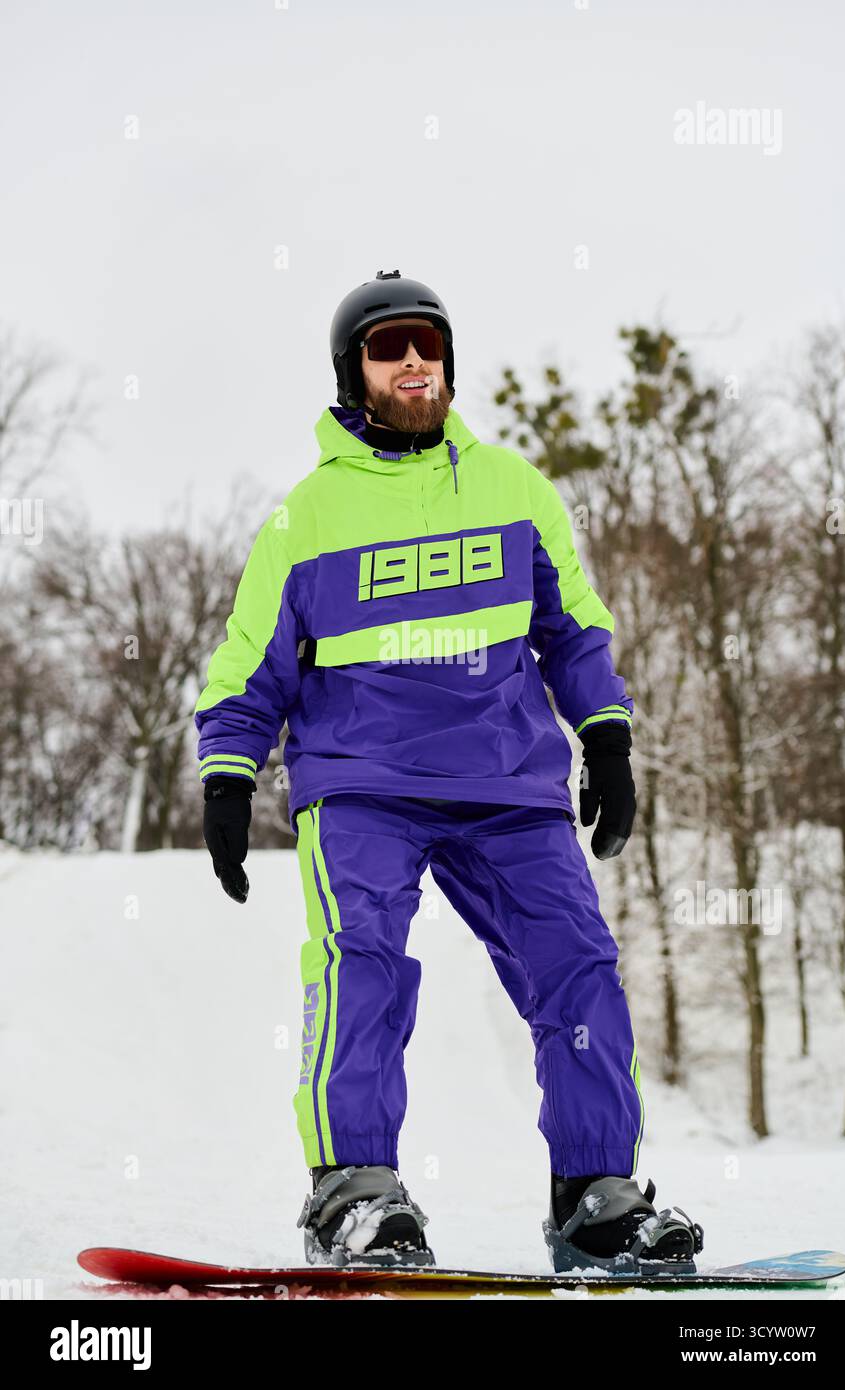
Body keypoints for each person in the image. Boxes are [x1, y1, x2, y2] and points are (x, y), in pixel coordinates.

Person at [194, 270, 703, 1272]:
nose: (413, 362)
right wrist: (227, 773)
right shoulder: (307, 517)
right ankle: (354, 1193)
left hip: (509, 781)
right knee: (363, 962)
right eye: (389, 348)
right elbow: (245, 663)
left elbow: (575, 630)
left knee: (578, 966)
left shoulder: (515, 489)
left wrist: (604, 734)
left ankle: (594, 1194)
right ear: (354, 374)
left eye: (427, 343)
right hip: (362, 783)